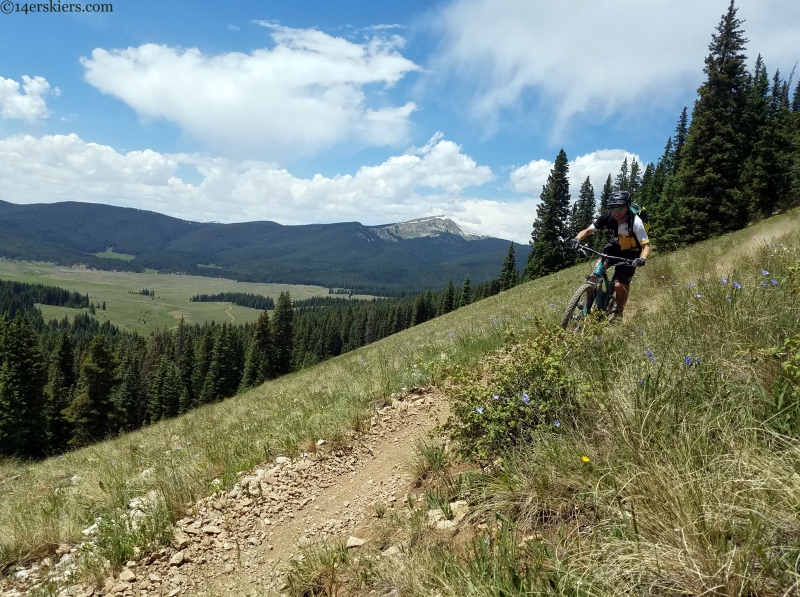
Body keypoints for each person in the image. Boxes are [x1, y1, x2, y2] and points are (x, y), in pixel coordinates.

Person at [569, 190, 651, 320]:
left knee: (619, 284)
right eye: (613, 207)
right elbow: (588, 230)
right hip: (613, 247)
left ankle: (619, 312)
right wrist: (577, 238)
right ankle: (588, 304)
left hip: (631, 252)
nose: (616, 211)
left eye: (620, 207)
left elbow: (646, 246)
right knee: (595, 273)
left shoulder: (635, 222)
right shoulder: (608, 217)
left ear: (627, 206)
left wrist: (642, 258)